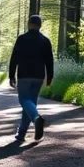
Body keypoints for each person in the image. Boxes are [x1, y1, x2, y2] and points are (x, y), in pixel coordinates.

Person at [8, 14, 54, 142]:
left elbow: (14, 58)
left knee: (24, 100)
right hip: (39, 76)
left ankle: (36, 118)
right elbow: (50, 61)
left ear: (29, 24)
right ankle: (21, 133)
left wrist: (11, 75)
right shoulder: (45, 41)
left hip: (24, 75)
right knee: (30, 104)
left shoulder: (21, 39)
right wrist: (50, 77)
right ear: (40, 25)